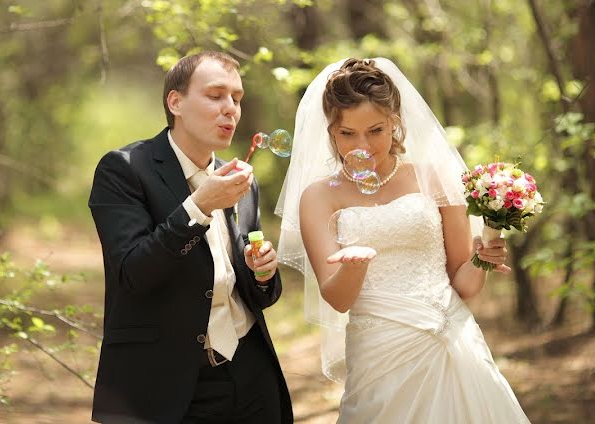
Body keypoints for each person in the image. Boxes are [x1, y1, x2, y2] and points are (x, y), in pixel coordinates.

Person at [276, 57, 530, 423]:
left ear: (395, 121)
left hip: (451, 343)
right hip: (380, 353)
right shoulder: (319, 197)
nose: (362, 145)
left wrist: (482, 259)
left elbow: (464, 282)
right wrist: (355, 265)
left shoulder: (435, 177)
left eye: (376, 130)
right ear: (331, 130)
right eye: (348, 134)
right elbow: (338, 297)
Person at [89, 51, 293, 424]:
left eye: (237, 98)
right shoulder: (124, 170)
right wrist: (198, 207)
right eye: (216, 96)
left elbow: (255, 293)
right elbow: (132, 274)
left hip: (251, 374)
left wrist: (263, 273)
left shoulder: (242, 182)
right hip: (169, 385)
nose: (230, 108)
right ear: (176, 102)